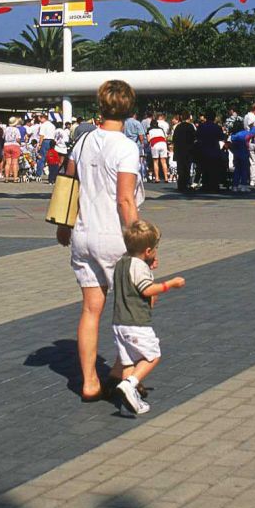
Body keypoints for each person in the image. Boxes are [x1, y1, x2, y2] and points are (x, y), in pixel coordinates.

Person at [55, 79, 143, 403]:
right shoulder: (126, 147)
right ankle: (123, 373)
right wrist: (140, 244)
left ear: (100, 106)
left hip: (83, 233)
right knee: (132, 309)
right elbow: (125, 200)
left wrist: (64, 226)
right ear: (130, 109)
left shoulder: (82, 143)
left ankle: (89, 382)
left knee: (91, 311)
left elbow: (68, 184)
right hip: (114, 237)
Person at [110, 220, 185, 415]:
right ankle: (130, 384)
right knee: (152, 356)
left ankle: (130, 397)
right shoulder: (139, 267)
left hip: (119, 323)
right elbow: (147, 289)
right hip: (137, 323)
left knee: (128, 362)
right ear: (149, 250)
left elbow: (132, 282)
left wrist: (147, 266)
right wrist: (170, 284)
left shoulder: (121, 263)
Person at [194, 112, 226, 193]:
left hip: (204, 149)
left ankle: (205, 185)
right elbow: (221, 137)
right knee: (214, 169)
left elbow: (197, 136)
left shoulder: (201, 126)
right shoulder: (217, 127)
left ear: (205, 117)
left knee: (205, 169)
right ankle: (214, 186)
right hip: (214, 149)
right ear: (214, 117)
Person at [171, 112, 196, 193]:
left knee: (180, 168)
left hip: (179, 150)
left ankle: (180, 185)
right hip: (188, 150)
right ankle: (187, 184)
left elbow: (174, 139)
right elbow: (193, 137)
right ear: (189, 117)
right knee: (187, 168)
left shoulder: (178, 127)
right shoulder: (190, 126)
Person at [227, 120, 251, 192]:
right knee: (244, 170)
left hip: (237, 154)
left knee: (237, 170)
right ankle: (243, 185)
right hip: (244, 153)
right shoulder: (246, 133)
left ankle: (234, 186)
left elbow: (231, 144)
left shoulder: (234, 135)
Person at [147, 116, 170, 183]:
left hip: (155, 144)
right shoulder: (161, 129)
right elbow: (165, 138)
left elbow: (148, 140)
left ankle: (157, 178)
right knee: (163, 161)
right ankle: (166, 178)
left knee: (155, 161)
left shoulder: (149, 129)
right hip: (163, 143)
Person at [1, 116, 22, 181]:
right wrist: (20, 144)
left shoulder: (6, 129)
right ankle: (15, 178)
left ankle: (6, 177)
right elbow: (18, 139)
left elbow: (3, 137)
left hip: (7, 145)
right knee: (15, 163)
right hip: (15, 145)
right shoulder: (16, 129)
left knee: (8, 163)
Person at [36, 114, 56, 179]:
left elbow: (42, 136)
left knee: (42, 158)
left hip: (45, 141)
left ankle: (38, 174)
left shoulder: (43, 125)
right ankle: (52, 174)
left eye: (40, 118)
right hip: (52, 141)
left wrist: (40, 144)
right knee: (51, 158)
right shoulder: (52, 125)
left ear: (43, 118)